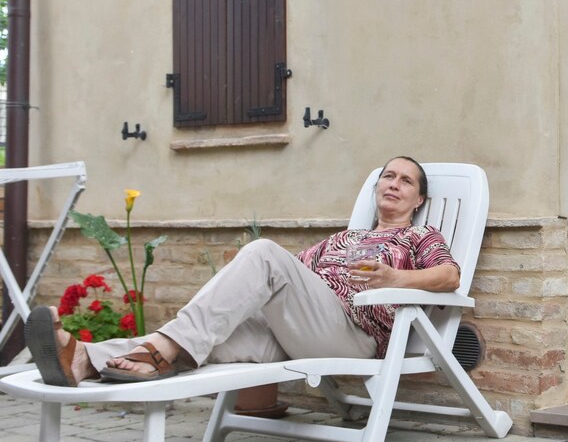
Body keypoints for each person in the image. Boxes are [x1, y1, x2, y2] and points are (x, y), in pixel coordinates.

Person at [26, 155, 460, 387]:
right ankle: (84, 359)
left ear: (417, 200)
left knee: (265, 253)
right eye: (388, 176)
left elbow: (449, 276)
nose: (394, 183)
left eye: (406, 181)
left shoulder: (418, 238)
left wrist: (395, 279)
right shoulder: (341, 239)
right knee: (204, 338)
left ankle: (151, 348)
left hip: (352, 335)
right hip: (298, 333)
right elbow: (287, 277)